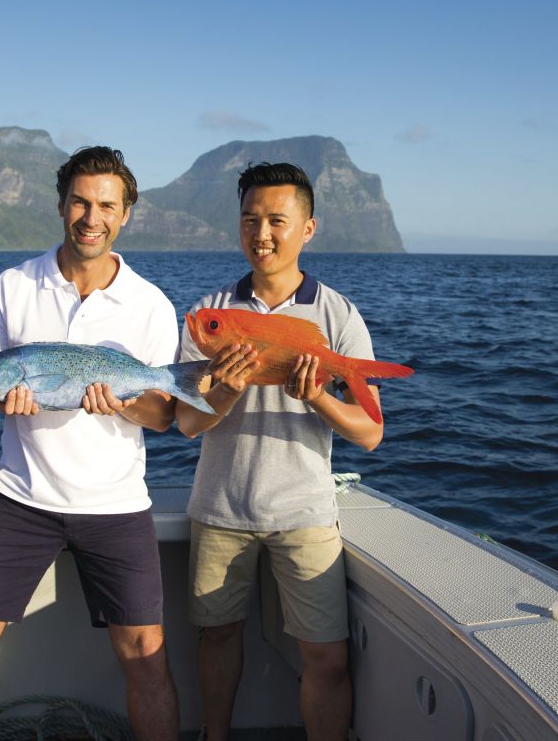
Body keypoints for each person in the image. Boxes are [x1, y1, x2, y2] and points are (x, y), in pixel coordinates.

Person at [0, 146, 180, 741]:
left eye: (106, 206)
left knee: (147, 662)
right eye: (80, 202)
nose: (92, 218)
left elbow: (163, 416)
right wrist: (1, 399)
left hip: (116, 505)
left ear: (125, 215)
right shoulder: (12, 286)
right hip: (21, 500)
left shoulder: (150, 304)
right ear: (61, 205)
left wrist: (122, 401)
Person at [176, 162, 386, 741]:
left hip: (305, 512)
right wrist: (226, 390)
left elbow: (370, 434)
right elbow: (186, 423)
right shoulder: (211, 312)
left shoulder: (337, 314)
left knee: (328, 657)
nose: (261, 233)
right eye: (250, 220)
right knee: (217, 636)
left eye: (276, 220)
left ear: (308, 229)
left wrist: (316, 395)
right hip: (220, 508)